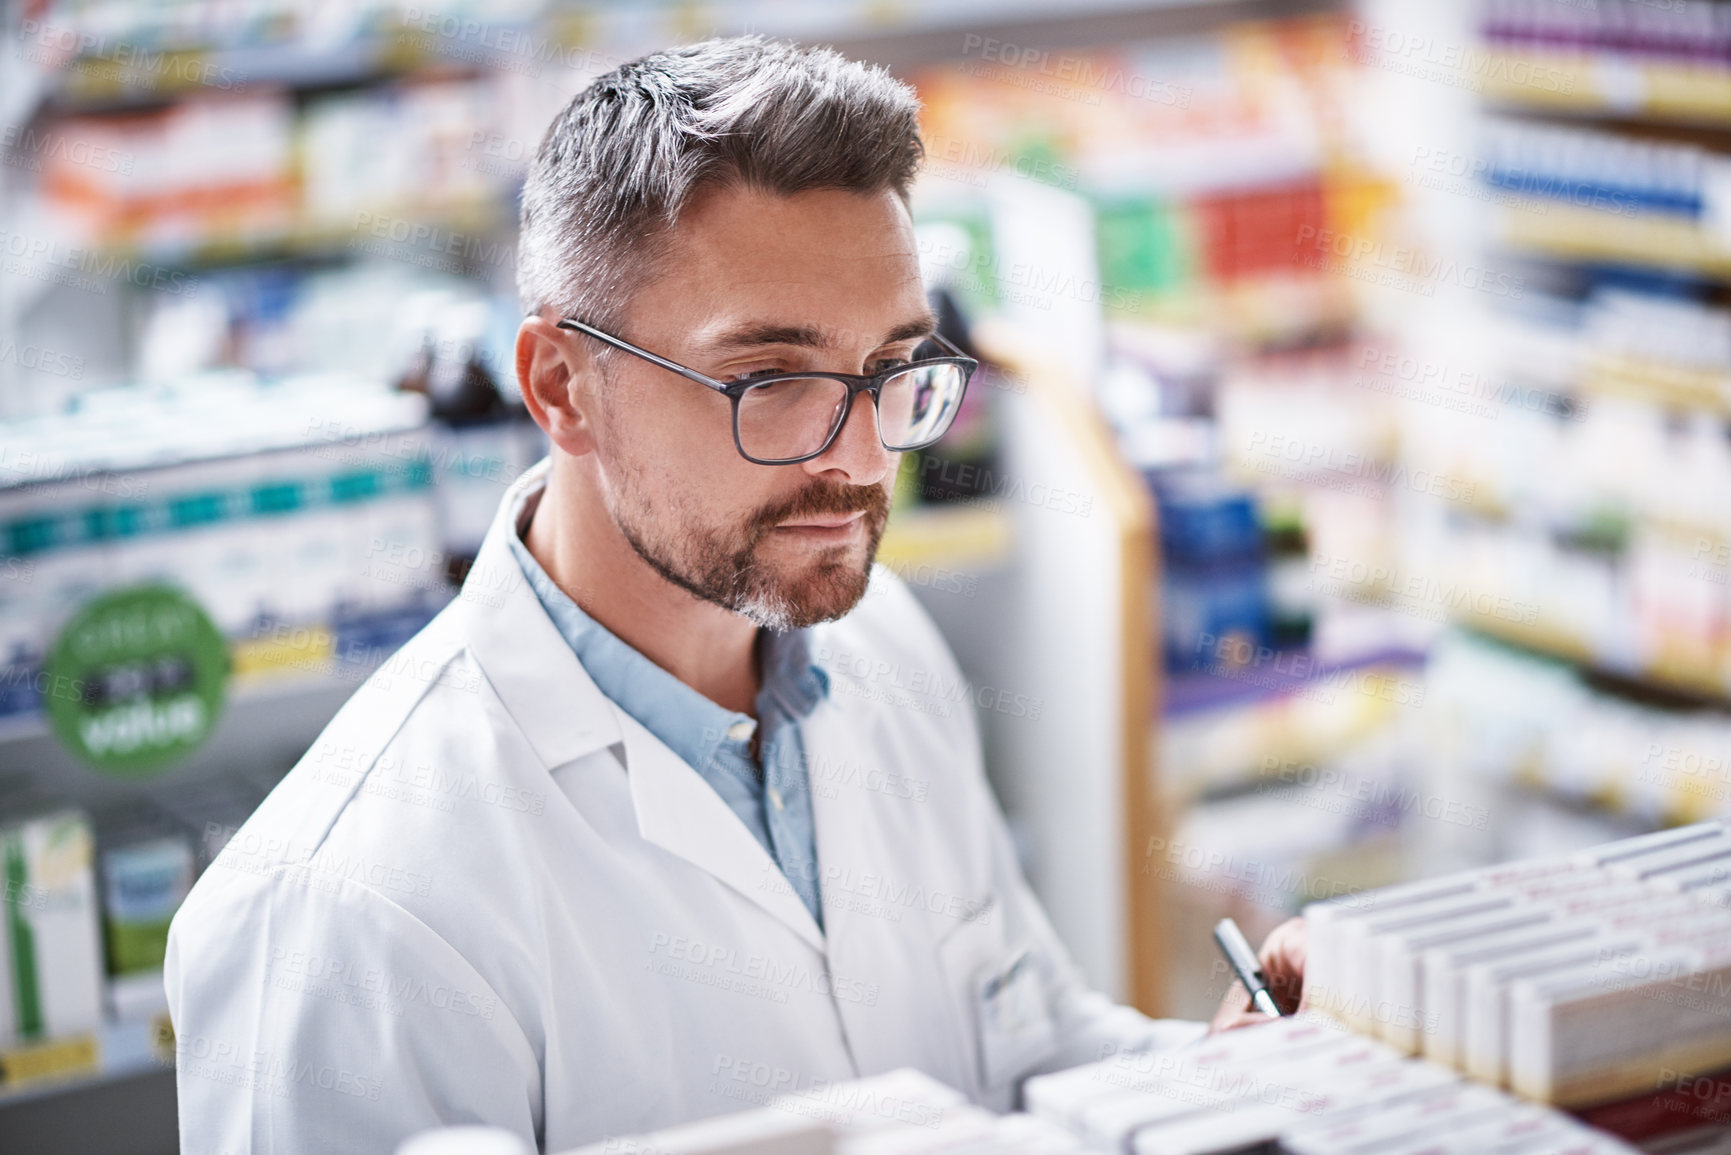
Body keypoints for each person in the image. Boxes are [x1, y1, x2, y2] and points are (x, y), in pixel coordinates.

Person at [165, 35, 1304, 1154]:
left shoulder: (879, 645)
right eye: (772, 381)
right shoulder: (349, 906)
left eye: (895, 370)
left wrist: (1231, 1071)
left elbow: (1023, 1057)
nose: (862, 459)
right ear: (563, 387)